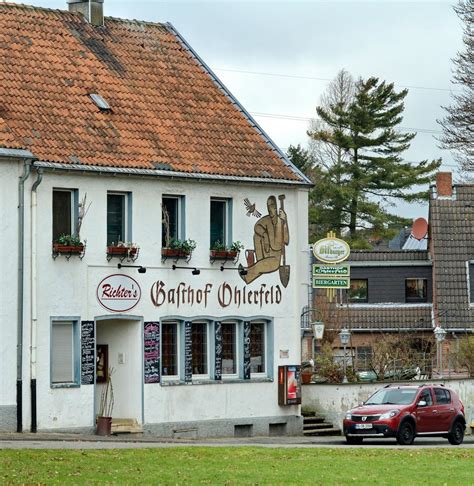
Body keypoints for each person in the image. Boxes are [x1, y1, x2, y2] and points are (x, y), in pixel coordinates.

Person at [239, 195, 289, 284]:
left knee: (262, 265)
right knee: (257, 235)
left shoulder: (280, 221)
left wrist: (284, 222)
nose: (270, 209)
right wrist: (265, 235)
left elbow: (285, 241)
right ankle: (258, 263)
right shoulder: (266, 219)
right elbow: (257, 226)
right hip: (265, 253)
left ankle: (247, 276)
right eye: (268, 206)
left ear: (276, 207)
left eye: (272, 206)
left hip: (274, 258)